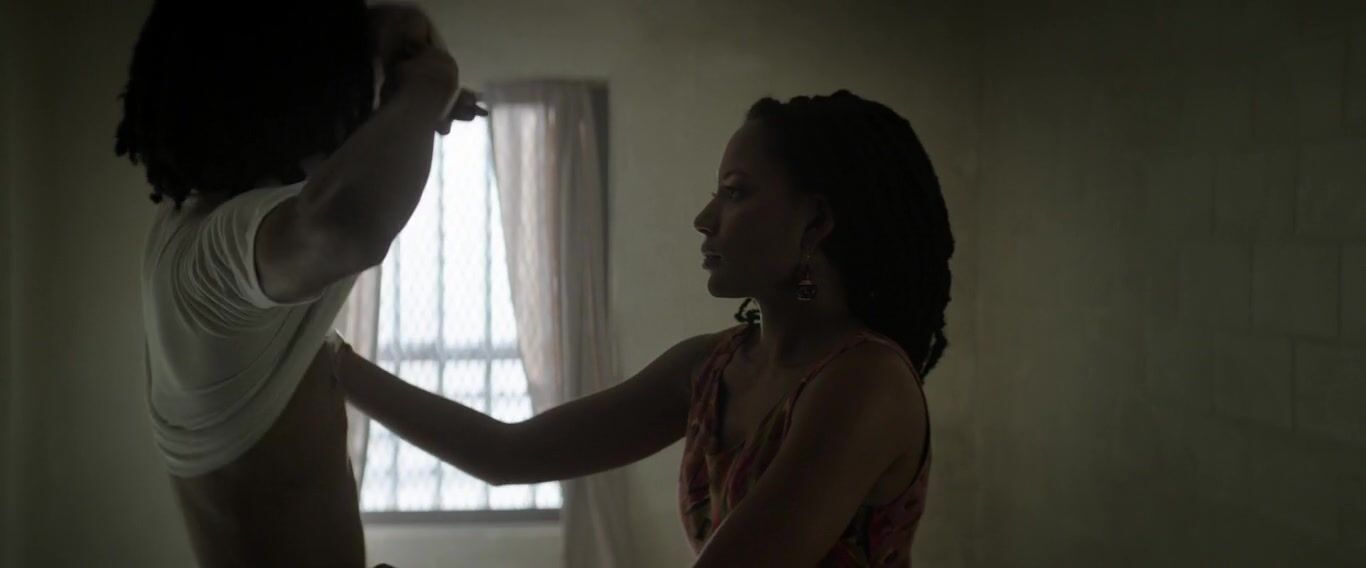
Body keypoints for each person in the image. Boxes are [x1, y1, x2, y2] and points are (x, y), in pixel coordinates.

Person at [336, 90, 955, 566]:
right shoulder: (710, 368)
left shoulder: (865, 383)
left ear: (816, 222)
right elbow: (507, 454)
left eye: (735, 194)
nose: (705, 218)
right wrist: (332, 362)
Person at [116, 0, 481, 565]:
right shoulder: (213, 256)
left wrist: (410, 75)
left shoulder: (219, 249)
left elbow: (501, 456)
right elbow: (345, 226)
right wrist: (425, 88)